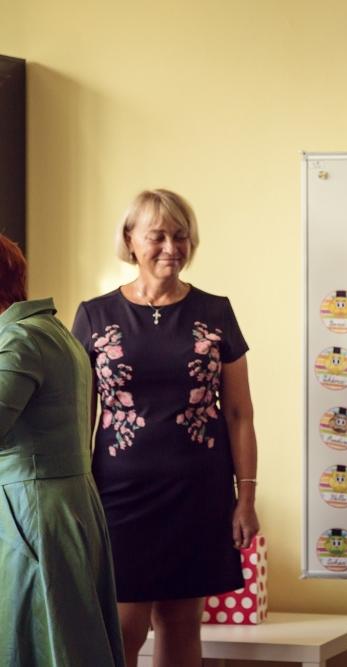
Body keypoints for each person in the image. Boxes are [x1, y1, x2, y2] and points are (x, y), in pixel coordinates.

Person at [72, 190, 260, 667]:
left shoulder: (216, 312)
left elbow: (239, 414)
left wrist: (245, 498)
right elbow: (79, 415)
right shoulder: (94, 315)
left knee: (181, 623)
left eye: (180, 236)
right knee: (123, 627)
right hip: (118, 494)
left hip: (197, 492)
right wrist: (75, 495)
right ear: (130, 240)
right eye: (157, 236)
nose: (171, 248)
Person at [0, 234, 125, 665]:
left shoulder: (19, 341)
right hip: (66, 507)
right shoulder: (53, 333)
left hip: (34, 514)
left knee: (38, 643)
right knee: (68, 640)